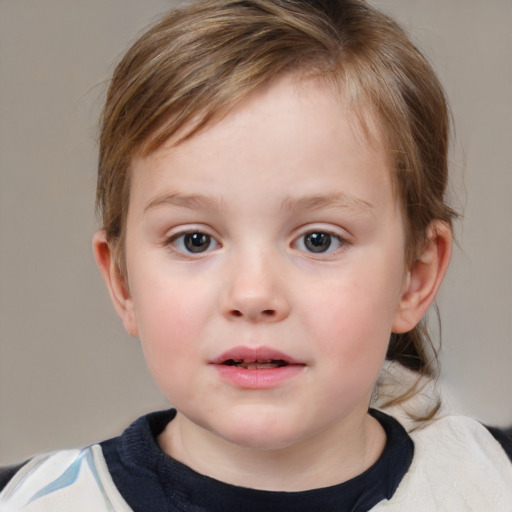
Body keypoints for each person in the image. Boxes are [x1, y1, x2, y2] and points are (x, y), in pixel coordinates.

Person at [1, 0, 511, 510]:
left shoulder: (490, 482)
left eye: (318, 239)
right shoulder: (36, 500)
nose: (253, 295)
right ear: (122, 280)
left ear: (414, 277)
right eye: (194, 240)